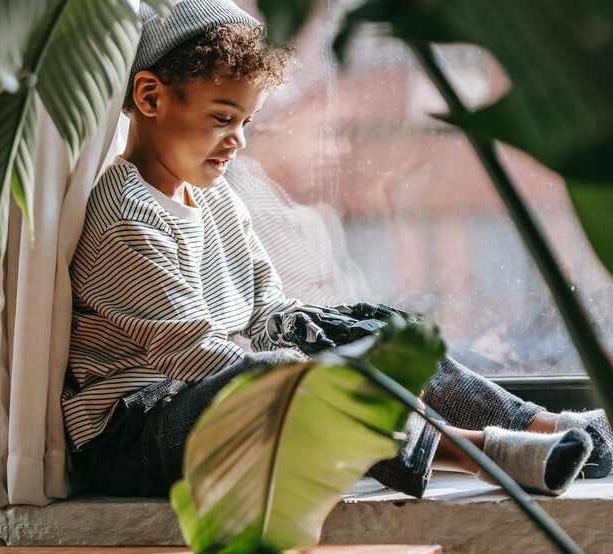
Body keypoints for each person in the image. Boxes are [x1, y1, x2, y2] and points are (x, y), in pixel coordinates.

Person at [62, 0, 612, 500]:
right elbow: (192, 354)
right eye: (222, 118)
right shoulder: (126, 218)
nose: (239, 141)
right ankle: (482, 454)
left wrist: (348, 345)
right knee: (287, 377)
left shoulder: (216, 196)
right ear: (150, 97)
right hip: (136, 429)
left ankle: (540, 426)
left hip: (214, 393)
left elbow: (267, 308)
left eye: (247, 122)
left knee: (377, 332)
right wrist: (327, 377)